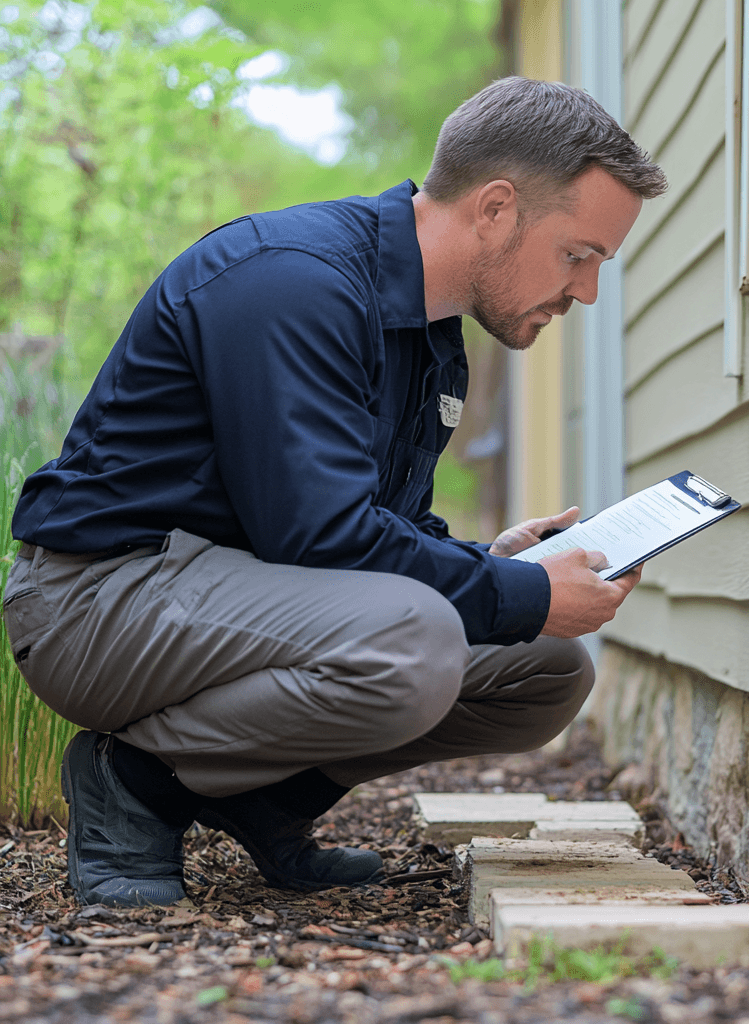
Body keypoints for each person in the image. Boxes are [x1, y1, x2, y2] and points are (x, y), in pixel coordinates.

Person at [3, 77, 667, 907]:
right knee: (418, 642)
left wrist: (491, 561)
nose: (586, 292)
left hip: (231, 593)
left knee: (545, 669)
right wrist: (517, 591)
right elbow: (320, 537)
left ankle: (261, 800)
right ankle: (134, 782)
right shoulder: (295, 282)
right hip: (100, 598)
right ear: (496, 209)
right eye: (579, 255)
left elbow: (375, 528)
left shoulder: (430, 337)